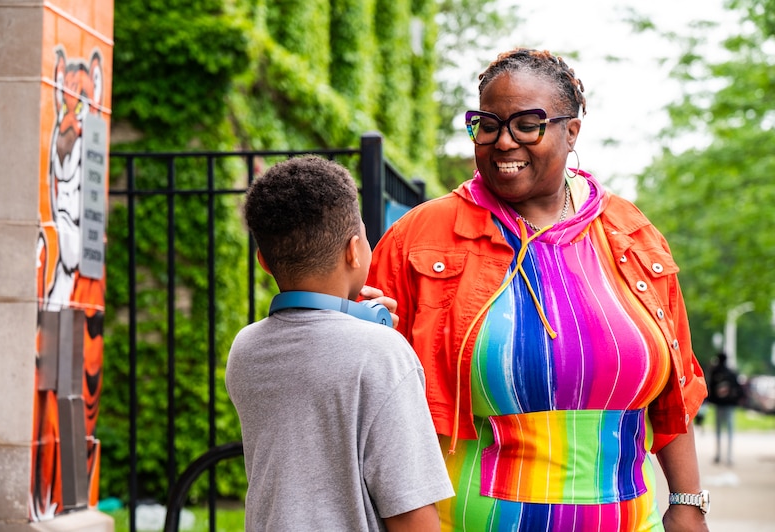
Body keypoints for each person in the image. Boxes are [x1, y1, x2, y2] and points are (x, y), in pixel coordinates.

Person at [367, 49, 709, 531]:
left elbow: (678, 388)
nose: (503, 142)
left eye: (527, 124)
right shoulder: (421, 237)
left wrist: (688, 501)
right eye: (487, 124)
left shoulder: (633, 234)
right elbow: (372, 396)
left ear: (572, 132)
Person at [225, 156, 454, 531]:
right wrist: (375, 337)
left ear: (263, 261)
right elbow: (411, 513)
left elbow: (313, 363)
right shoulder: (382, 353)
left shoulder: (245, 349)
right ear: (354, 250)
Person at [707, 351, 744, 465]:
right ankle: (729, 456)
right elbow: (738, 389)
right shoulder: (731, 373)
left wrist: (711, 400)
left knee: (718, 430)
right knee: (730, 430)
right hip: (729, 405)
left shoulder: (715, 372)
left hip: (719, 405)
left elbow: (711, 389)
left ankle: (718, 455)